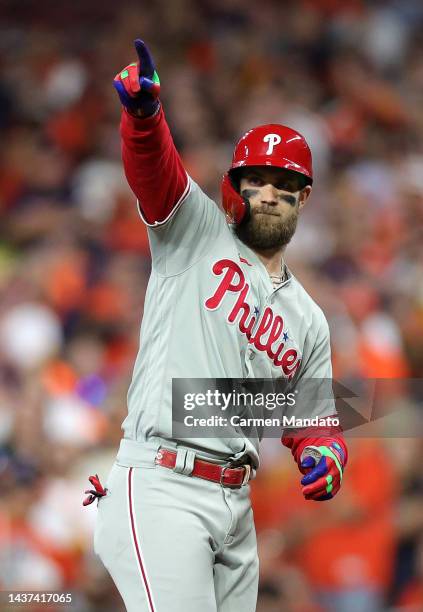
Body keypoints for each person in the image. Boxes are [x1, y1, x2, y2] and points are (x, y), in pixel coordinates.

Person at [86, 39, 348, 612]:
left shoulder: (308, 317)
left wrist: (326, 452)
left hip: (236, 505)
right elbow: (157, 174)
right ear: (235, 185)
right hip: (164, 483)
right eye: (255, 178)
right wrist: (144, 118)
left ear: (305, 197)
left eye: (284, 183)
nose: (268, 192)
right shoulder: (197, 233)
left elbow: (314, 419)